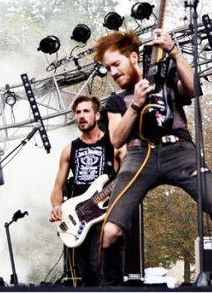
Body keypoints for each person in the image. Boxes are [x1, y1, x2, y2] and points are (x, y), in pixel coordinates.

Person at [92, 29, 212, 286]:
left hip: (178, 150)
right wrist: (135, 103)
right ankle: (111, 290)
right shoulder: (116, 101)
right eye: (108, 68)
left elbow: (193, 89)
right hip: (138, 156)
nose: (113, 72)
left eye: (116, 64)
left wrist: (174, 52)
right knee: (111, 232)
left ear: (134, 57)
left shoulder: (164, 80)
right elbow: (115, 139)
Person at [49, 95, 123, 286]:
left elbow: (128, 176)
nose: (81, 116)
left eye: (86, 111)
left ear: (97, 116)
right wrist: (57, 206)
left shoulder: (113, 145)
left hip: (103, 215)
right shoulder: (69, 149)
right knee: (87, 273)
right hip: (78, 215)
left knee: (98, 268)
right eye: (78, 112)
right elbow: (57, 187)